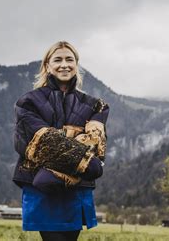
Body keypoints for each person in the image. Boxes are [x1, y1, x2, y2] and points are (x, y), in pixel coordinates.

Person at [13, 41, 109, 241]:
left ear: (76, 65)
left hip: (75, 188)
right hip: (42, 187)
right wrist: (82, 155)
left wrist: (62, 146)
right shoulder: (28, 102)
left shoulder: (95, 106)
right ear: (47, 65)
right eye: (58, 59)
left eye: (69, 59)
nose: (64, 64)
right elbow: (37, 141)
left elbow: (96, 145)